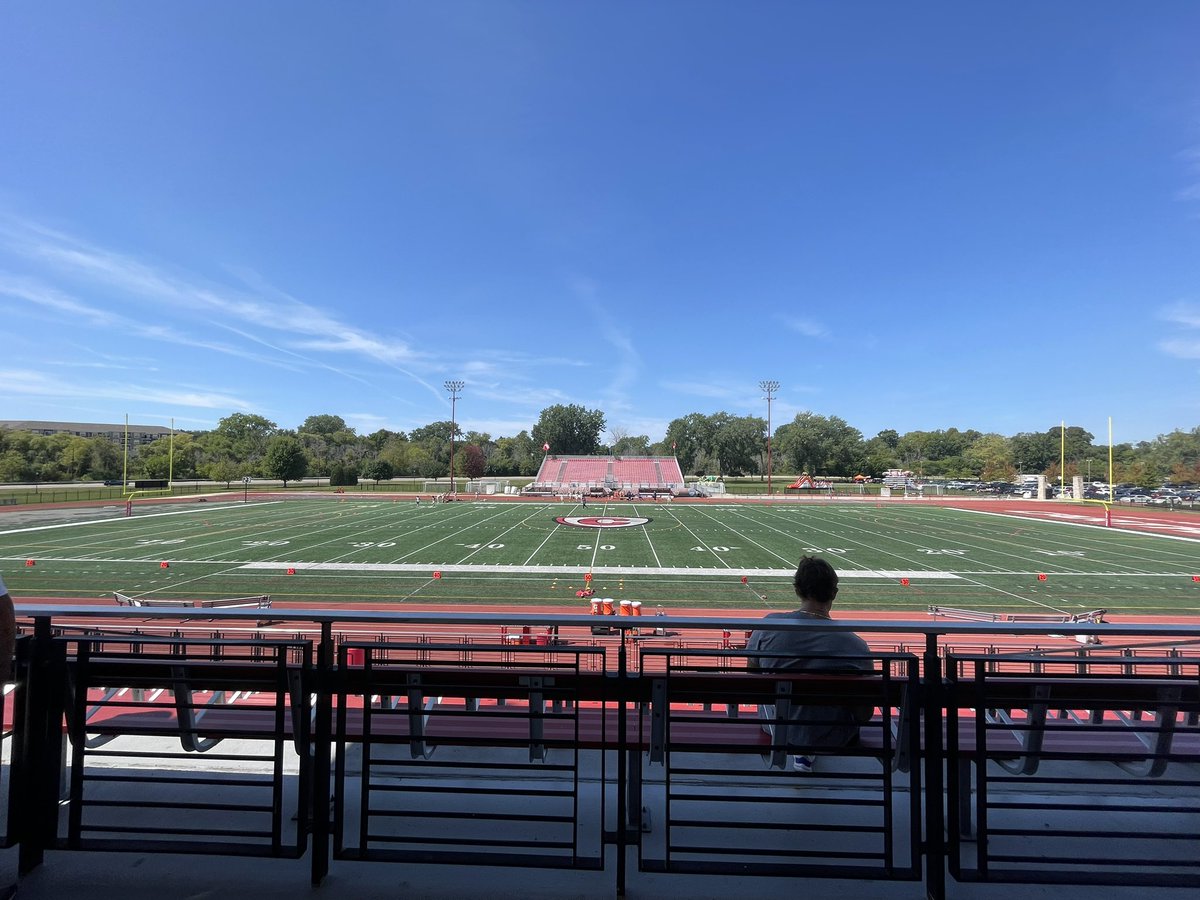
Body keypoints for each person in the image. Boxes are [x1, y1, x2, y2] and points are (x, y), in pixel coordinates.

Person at [746, 556, 872, 773]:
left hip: (777, 729)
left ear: (798, 589)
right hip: (833, 737)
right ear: (834, 593)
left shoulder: (767, 626)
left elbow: (753, 677)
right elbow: (864, 713)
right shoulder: (855, 646)